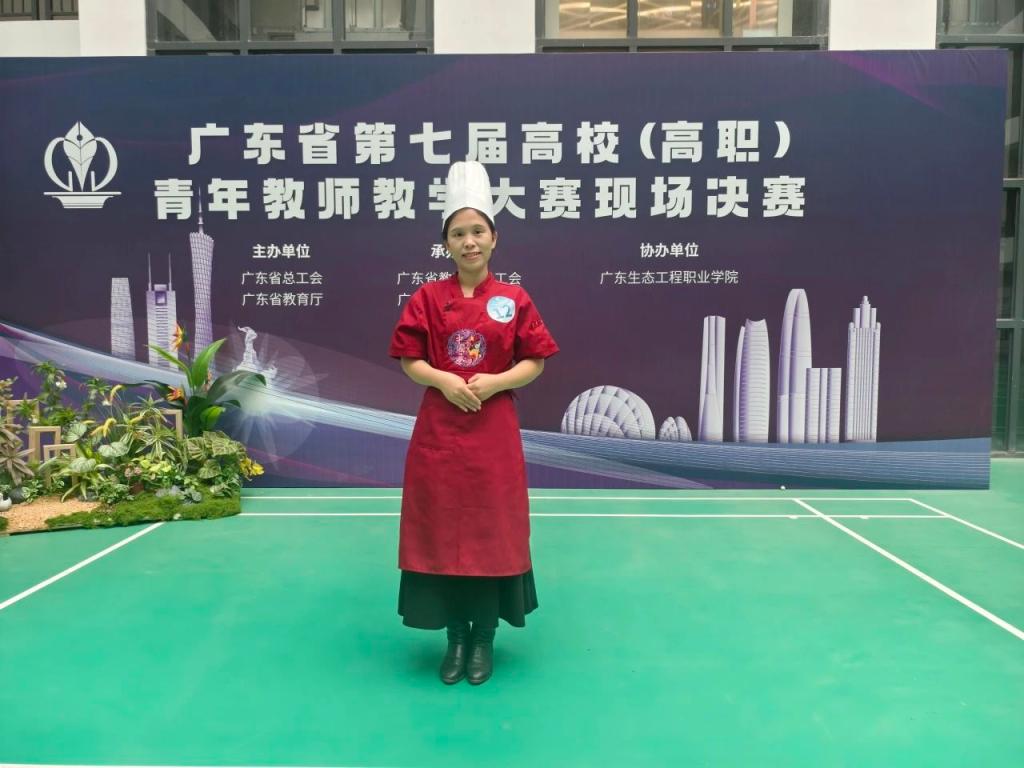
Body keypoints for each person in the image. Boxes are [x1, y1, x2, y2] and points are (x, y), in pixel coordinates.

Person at [388, 161, 559, 685]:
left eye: (478, 231)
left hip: (492, 432)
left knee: (492, 530)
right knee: (441, 529)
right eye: (458, 233)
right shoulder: (427, 298)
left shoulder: (514, 299)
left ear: (493, 238)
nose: (469, 242)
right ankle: (455, 638)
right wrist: (442, 379)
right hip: (440, 430)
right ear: (445, 243)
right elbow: (410, 359)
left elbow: (535, 360)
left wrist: (497, 381)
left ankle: (483, 638)